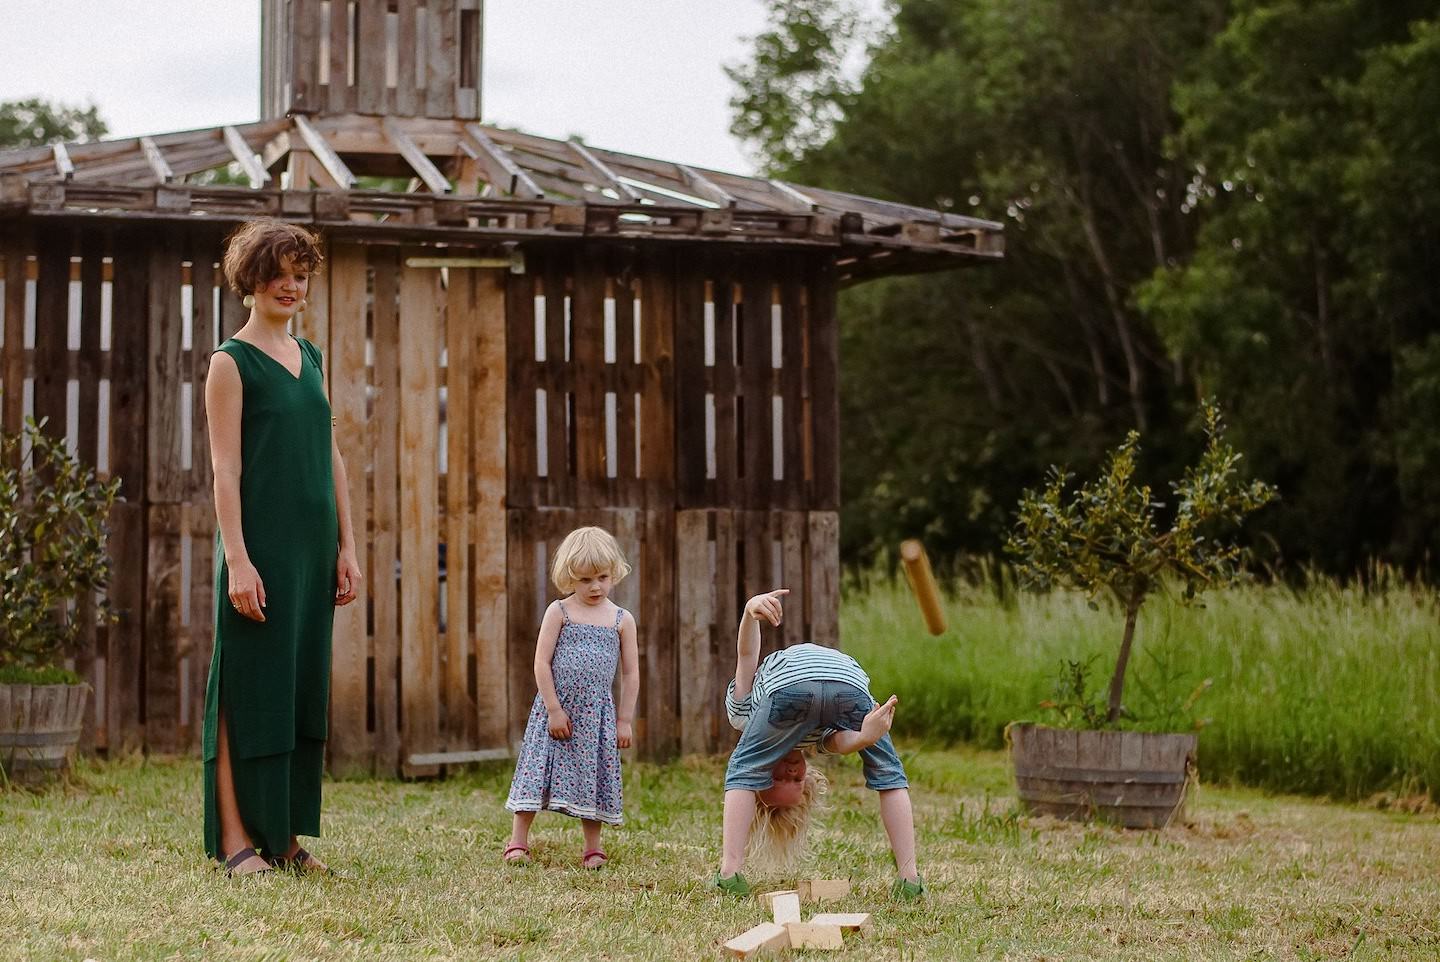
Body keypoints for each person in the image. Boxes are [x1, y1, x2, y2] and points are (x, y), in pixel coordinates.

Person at [201, 220, 362, 877]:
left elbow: (331, 456)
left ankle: (286, 840)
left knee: (297, 687)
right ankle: (238, 840)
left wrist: (347, 546)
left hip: (313, 548)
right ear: (249, 281)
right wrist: (237, 558)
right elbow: (225, 470)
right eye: (277, 273)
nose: (290, 285)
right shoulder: (229, 363)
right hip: (259, 548)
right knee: (247, 686)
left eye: (300, 273)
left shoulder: (313, 358)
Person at [710, 588, 925, 900]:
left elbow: (746, 657)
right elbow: (842, 742)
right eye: (796, 779)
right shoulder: (815, 738)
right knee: (889, 773)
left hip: (790, 686)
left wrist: (749, 614)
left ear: (762, 778)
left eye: (778, 777)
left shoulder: (743, 718)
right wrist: (866, 736)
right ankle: (910, 879)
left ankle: (729, 872)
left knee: (741, 769)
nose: (792, 771)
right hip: (849, 684)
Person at [503, 526, 640, 869]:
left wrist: (624, 719)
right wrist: (553, 709)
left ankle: (592, 847)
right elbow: (541, 661)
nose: (595, 586)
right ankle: (518, 840)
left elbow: (630, 673)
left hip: (597, 716)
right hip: (557, 711)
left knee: (592, 775)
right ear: (569, 577)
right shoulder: (559, 612)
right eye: (584, 579)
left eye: (602, 577)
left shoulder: (622, 620)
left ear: (614, 573)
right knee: (537, 771)